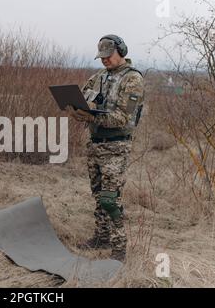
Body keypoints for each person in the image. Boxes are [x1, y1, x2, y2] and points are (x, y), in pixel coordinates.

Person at [66, 34, 145, 262]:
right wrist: (75, 107)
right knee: (99, 196)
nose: (104, 60)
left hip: (116, 146)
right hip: (95, 145)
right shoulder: (99, 76)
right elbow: (82, 96)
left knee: (111, 199)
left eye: (108, 56)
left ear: (121, 51)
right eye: (101, 57)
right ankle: (102, 238)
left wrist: (90, 117)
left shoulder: (133, 80)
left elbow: (121, 118)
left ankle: (119, 249)